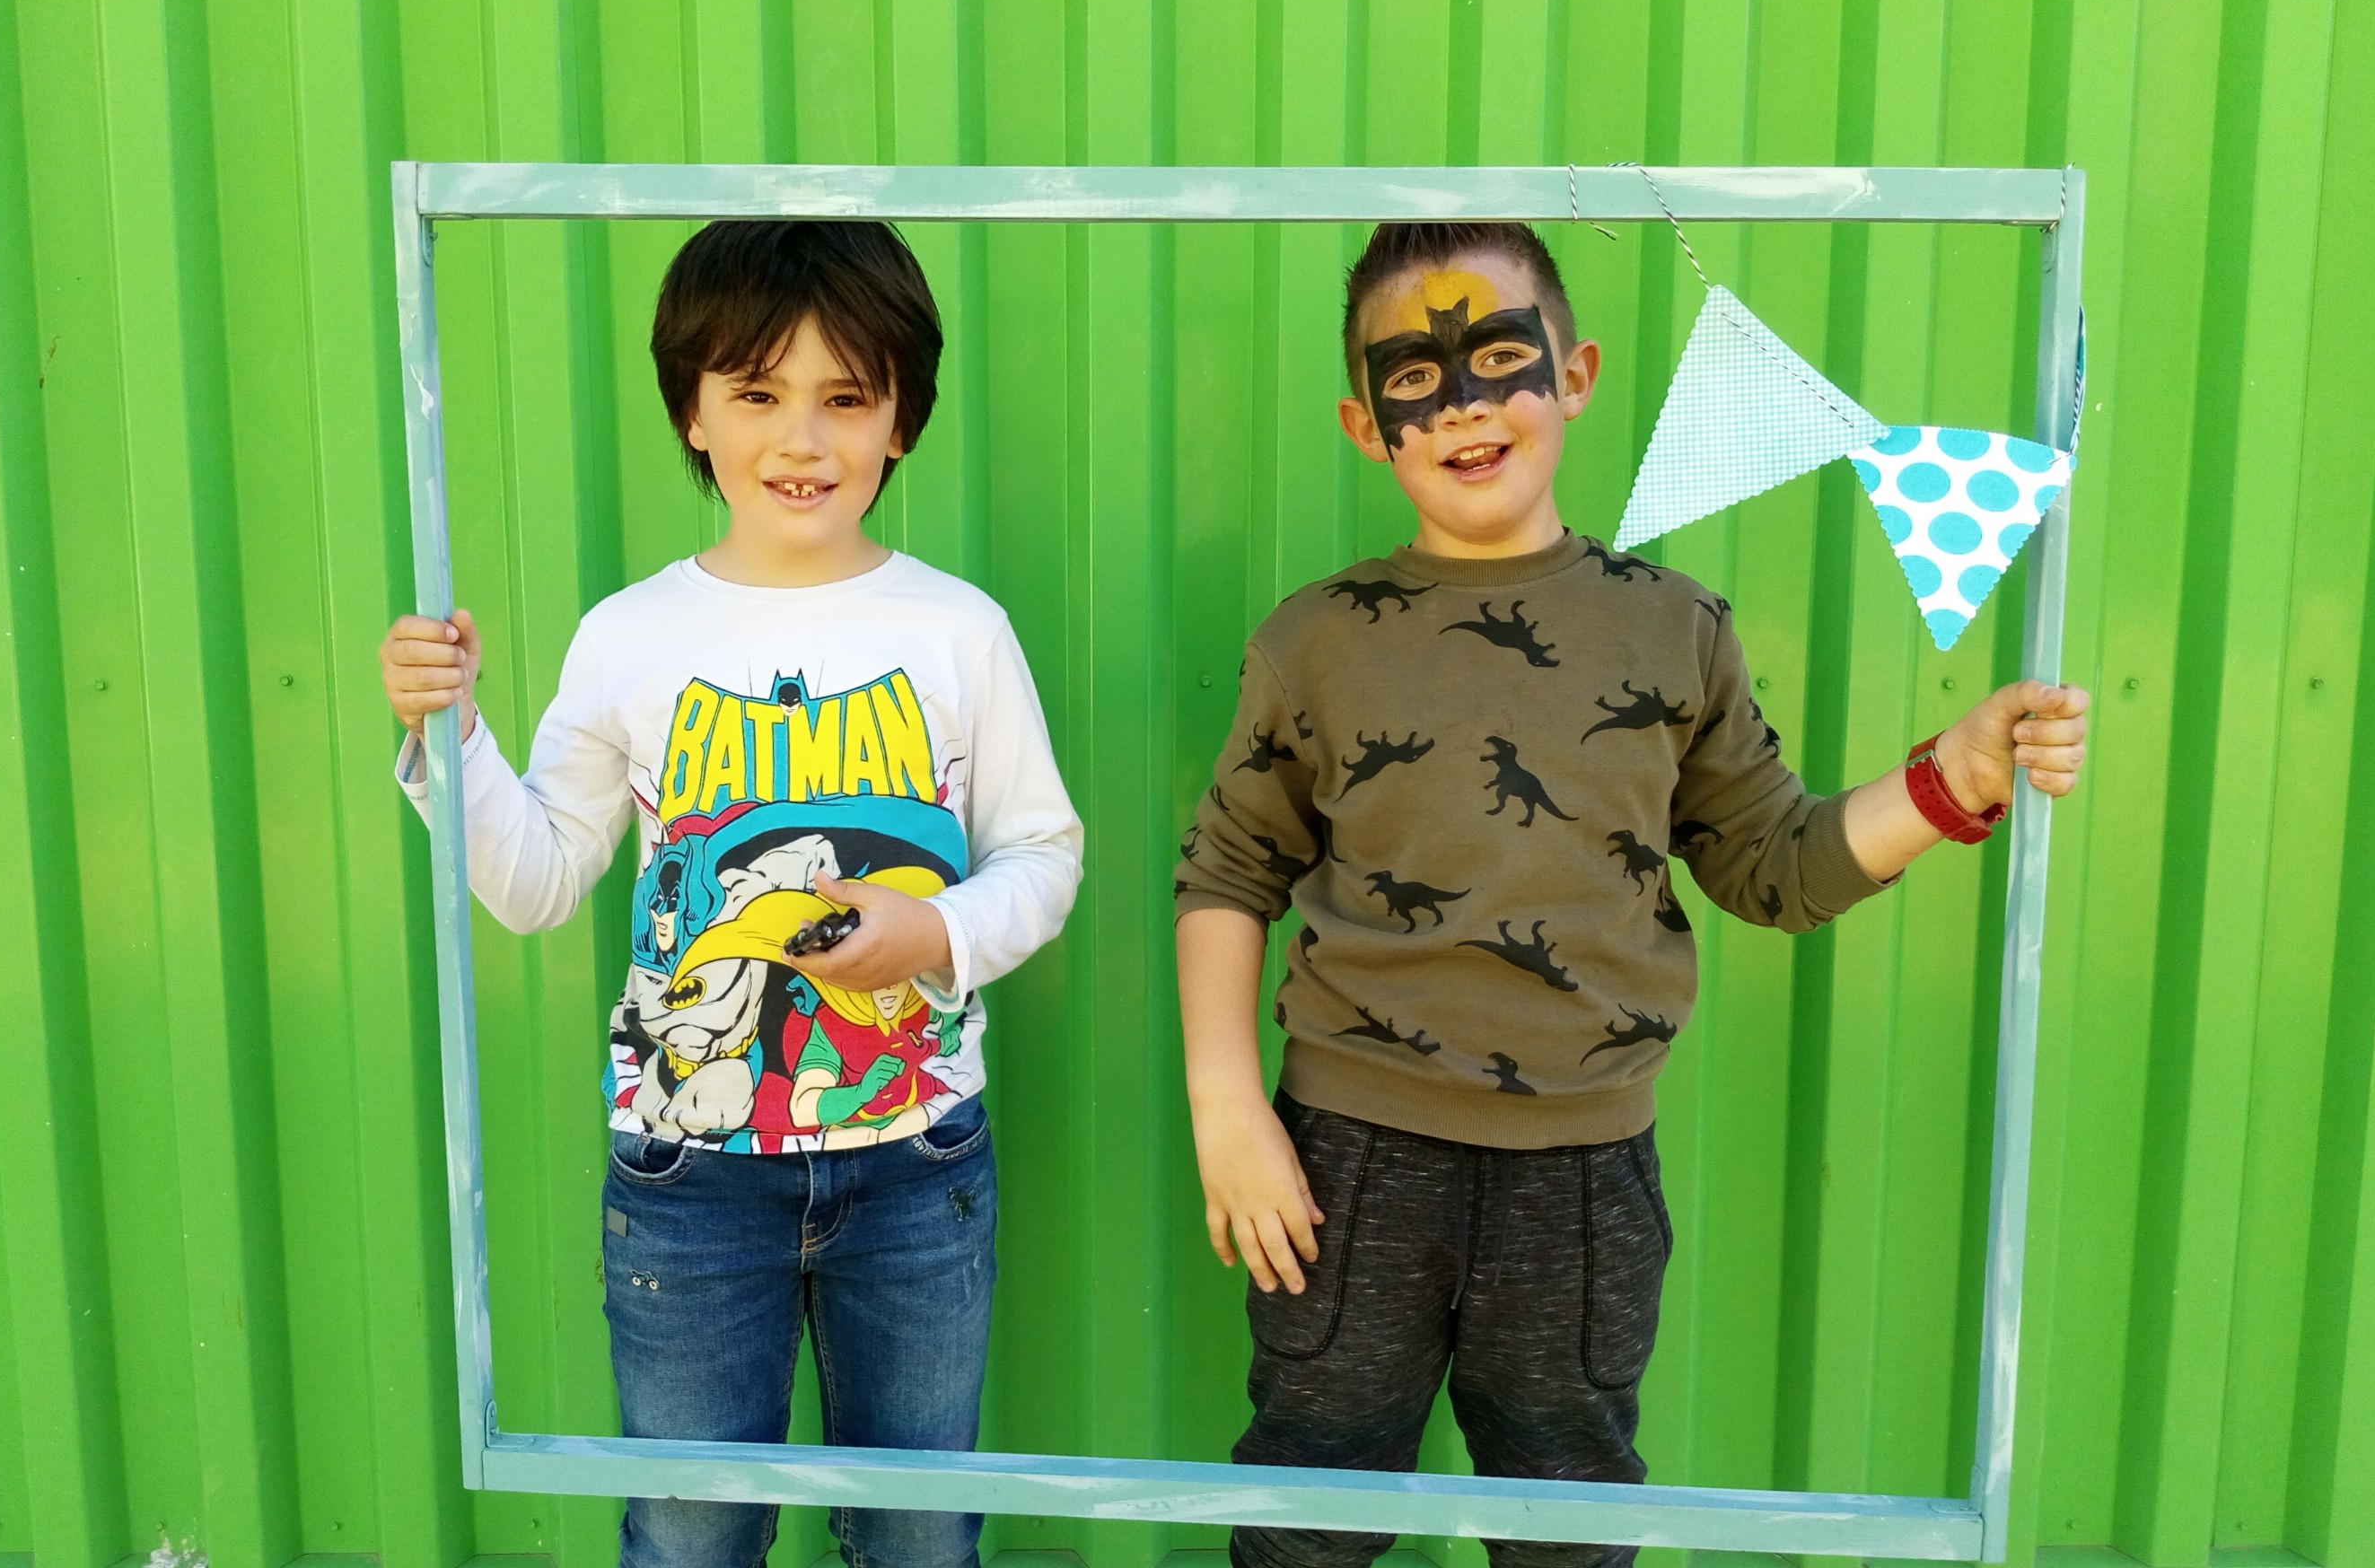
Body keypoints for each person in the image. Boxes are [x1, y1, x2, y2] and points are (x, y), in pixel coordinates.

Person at [1170, 222, 2090, 1568]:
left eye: (1500, 358)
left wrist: (1950, 779)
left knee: (1571, 1522)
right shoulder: (1314, 641)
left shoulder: (1675, 628)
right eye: (1415, 377)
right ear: (1366, 424)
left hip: (1584, 1179)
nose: (1464, 404)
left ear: (1576, 373)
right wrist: (1227, 1109)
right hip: (1351, 1166)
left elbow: (1772, 864)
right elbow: (1229, 868)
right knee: (1311, 1510)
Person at [380, 220, 1082, 1568]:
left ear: (901, 420)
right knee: (691, 1535)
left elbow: (1044, 856)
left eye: (845, 397)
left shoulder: (958, 631)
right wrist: (450, 734)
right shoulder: (630, 635)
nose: (800, 440)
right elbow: (535, 882)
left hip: (917, 1160)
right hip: (687, 1177)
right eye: (757, 393)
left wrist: (933, 930)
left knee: (921, 1535)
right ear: (692, 412)